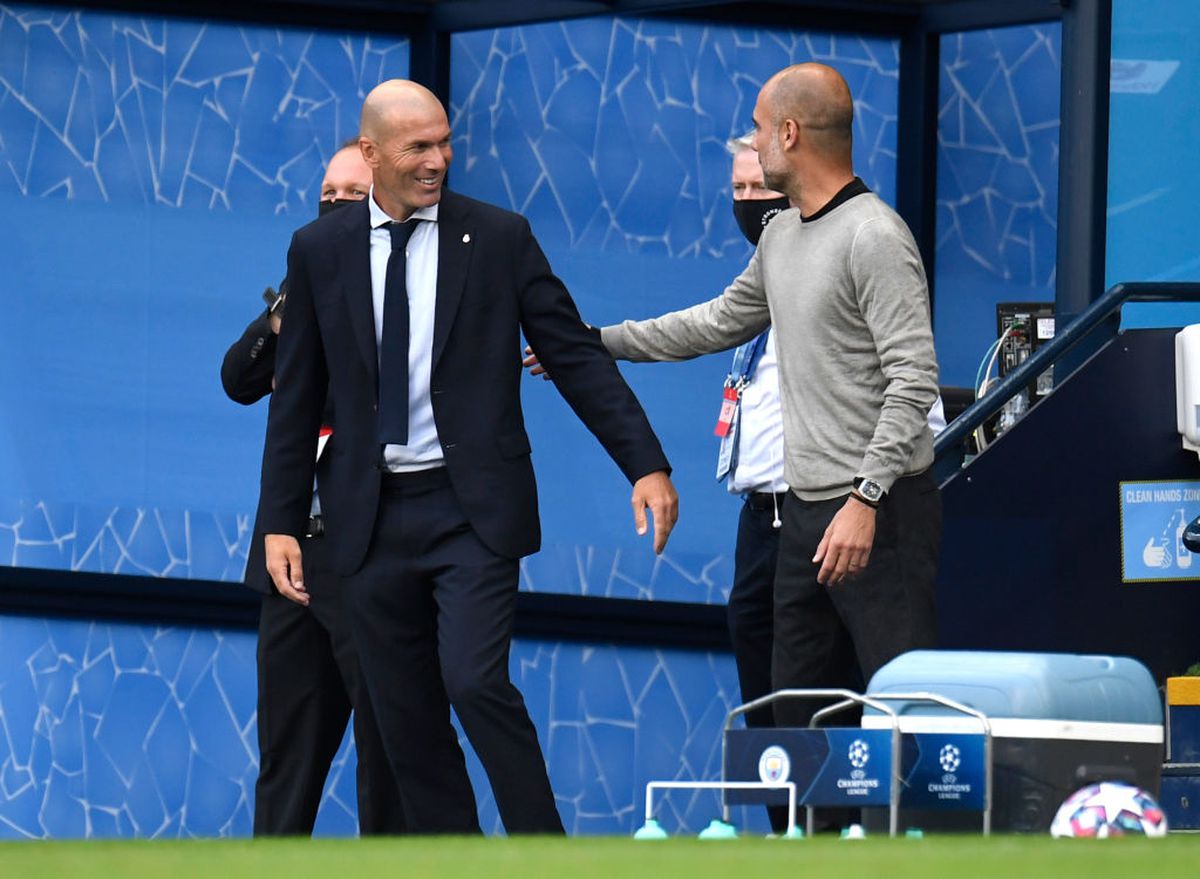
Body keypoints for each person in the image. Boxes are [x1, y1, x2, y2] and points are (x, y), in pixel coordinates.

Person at [256, 80, 679, 835]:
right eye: (419, 146)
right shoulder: (318, 250)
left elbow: (574, 355)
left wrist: (645, 464)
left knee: (475, 679)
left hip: (469, 510)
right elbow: (296, 399)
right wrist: (280, 521)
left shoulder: (499, 237)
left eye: (445, 142)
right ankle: (458, 854)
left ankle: (542, 849)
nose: (439, 160)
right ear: (371, 153)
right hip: (368, 516)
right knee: (402, 714)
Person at [596, 63, 941, 736]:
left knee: (901, 709)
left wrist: (865, 500)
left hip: (882, 514)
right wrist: (596, 342)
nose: (752, 144)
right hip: (803, 516)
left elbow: (914, 376)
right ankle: (810, 843)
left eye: (757, 129)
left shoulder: (874, 235)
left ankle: (909, 841)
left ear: (789, 132)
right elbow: (717, 320)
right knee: (797, 715)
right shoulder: (782, 233)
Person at [220, 140, 405, 836]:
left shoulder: (409, 290)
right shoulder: (301, 282)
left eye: (351, 195)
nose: (333, 205)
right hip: (291, 554)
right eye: (326, 192)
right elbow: (239, 378)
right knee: (288, 757)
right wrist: (282, 317)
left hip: (372, 552)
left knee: (385, 751)